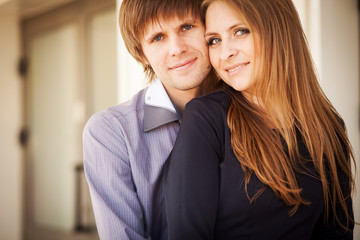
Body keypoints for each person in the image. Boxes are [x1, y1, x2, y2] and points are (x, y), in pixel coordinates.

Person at [164, 0, 356, 239]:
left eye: (240, 31)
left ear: (278, 31)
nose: (225, 53)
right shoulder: (207, 118)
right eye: (215, 40)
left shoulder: (328, 126)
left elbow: (338, 231)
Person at [82, 0, 217, 239]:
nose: (177, 48)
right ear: (141, 53)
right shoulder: (111, 131)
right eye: (157, 37)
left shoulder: (249, 110)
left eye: (186, 27)